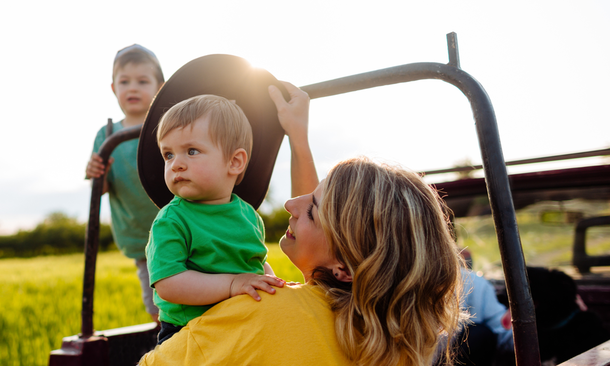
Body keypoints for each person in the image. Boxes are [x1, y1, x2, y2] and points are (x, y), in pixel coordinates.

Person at [139, 82, 466, 366]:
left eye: (312, 210)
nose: (291, 204)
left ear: (345, 269)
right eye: (168, 154)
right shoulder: (394, 342)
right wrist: (297, 135)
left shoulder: (265, 314)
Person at [145, 94, 285, 344]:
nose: (176, 164)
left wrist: (271, 283)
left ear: (234, 162)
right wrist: (233, 283)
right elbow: (169, 283)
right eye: (168, 155)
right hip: (190, 332)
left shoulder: (247, 214)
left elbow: (254, 263)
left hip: (244, 324)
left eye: (191, 151)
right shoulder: (172, 220)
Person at [84, 44, 166, 322]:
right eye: (124, 82)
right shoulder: (107, 135)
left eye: (143, 81)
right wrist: (97, 171)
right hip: (142, 238)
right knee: (160, 306)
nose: (133, 88)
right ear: (113, 88)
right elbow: (102, 187)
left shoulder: (169, 126)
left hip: (186, 227)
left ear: (160, 86)